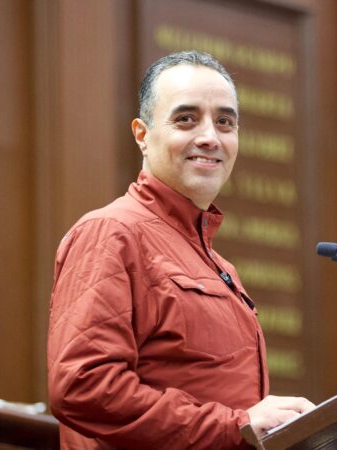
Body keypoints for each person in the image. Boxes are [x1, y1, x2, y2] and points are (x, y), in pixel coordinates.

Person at [47, 51, 314, 449]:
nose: (210, 137)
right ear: (142, 135)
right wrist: (237, 425)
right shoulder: (111, 233)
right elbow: (82, 385)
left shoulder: (221, 266)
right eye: (186, 119)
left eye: (225, 122)